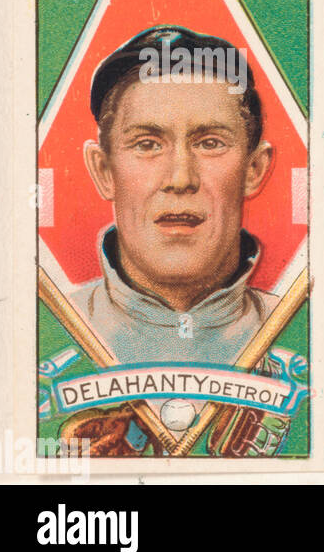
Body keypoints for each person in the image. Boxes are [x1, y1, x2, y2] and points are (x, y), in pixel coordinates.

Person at [61, 25, 292, 455]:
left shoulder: (305, 331)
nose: (180, 178)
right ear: (104, 170)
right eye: (147, 144)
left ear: (254, 169)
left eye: (210, 143)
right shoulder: (50, 332)